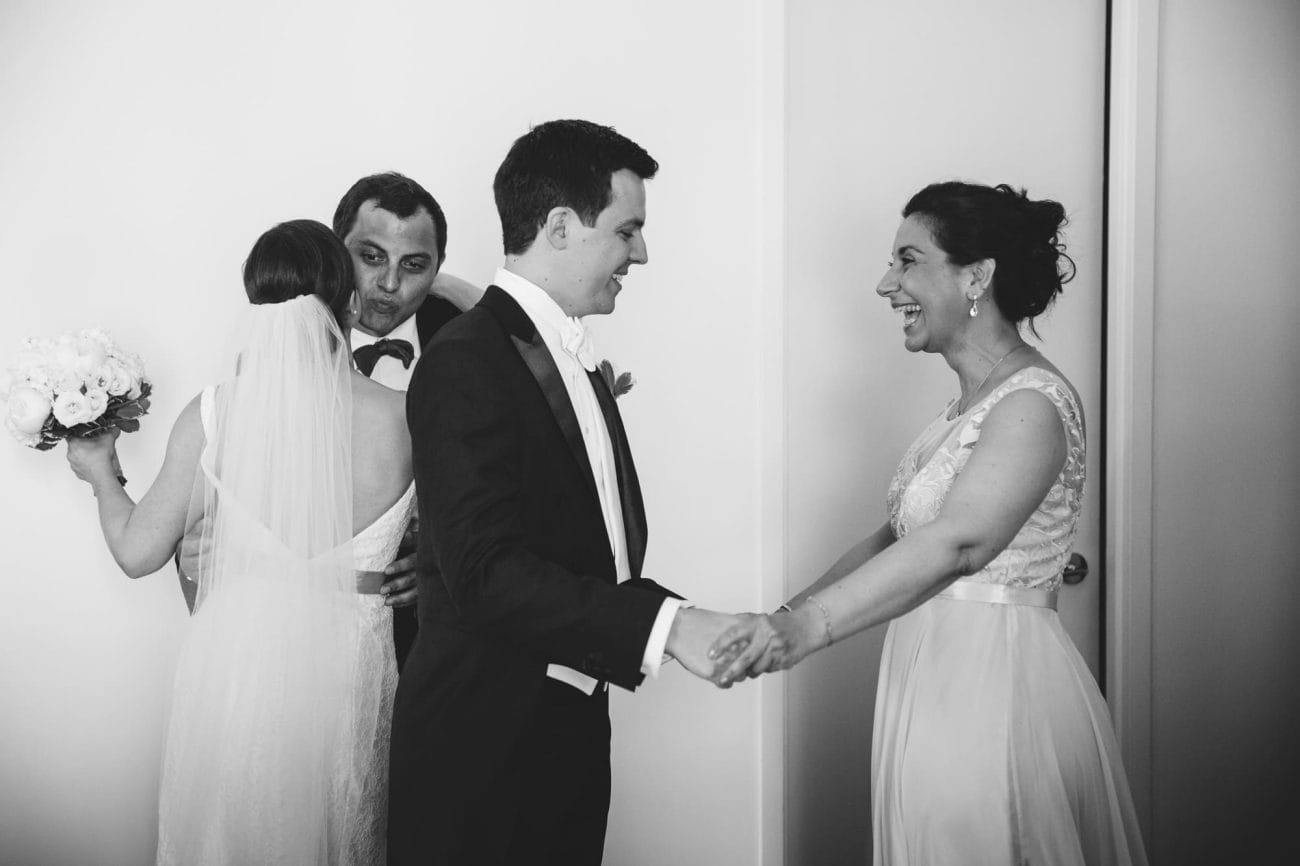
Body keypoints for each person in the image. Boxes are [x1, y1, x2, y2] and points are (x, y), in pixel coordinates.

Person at [711, 182, 1148, 865]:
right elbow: (895, 539)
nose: (886, 284)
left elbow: (959, 543)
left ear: (976, 276)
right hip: (926, 670)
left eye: (907, 261)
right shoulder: (963, 408)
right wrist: (779, 618)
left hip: (994, 685)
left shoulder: (1030, 405)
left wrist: (807, 631)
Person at [388, 119, 742, 866]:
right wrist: (670, 627)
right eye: (627, 230)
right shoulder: (466, 361)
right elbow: (484, 573)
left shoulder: (572, 358)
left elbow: (583, 546)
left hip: (566, 731)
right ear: (558, 226)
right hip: (483, 749)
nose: (640, 253)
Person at [68, 220, 412, 864]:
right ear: (349, 303)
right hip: (352, 674)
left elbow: (138, 553)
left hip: (239, 673)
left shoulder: (217, 415)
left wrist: (100, 474)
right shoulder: (407, 418)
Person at [332, 171, 482, 669]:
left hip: (436, 655)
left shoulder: (480, 354)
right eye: (371, 257)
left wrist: (441, 567)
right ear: (335, 252)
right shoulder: (284, 345)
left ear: (437, 268)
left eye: (413, 265)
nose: (390, 284)